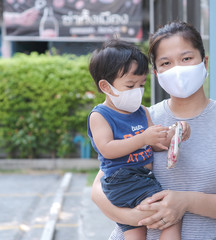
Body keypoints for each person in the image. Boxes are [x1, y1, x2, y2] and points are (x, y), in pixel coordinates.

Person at [91, 21, 216, 240]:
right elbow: (99, 187)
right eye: (166, 63)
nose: (177, 69)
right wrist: (134, 219)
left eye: (186, 58)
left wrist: (185, 201)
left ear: (205, 62)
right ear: (156, 72)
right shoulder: (141, 119)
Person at [87, 39, 190, 240]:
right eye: (130, 84)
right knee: (170, 215)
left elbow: (156, 143)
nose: (137, 91)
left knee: (136, 230)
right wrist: (142, 138)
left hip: (139, 177)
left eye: (141, 84)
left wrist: (176, 134)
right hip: (123, 180)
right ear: (105, 86)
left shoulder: (141, 111)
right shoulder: (100, 115)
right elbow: (107, 149)